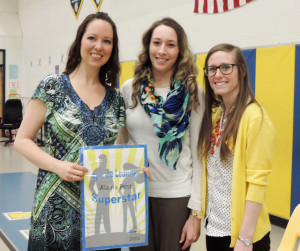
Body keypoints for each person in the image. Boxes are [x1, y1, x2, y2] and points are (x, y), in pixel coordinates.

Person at [15, 12, 125, 251]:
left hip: (101, 208)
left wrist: (134, 170)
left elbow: (120, 152)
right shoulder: (52, 86)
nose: (99, 46)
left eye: (107, 41)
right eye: (92, 38)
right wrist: (57, 166)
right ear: (80, 41)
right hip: (55, 206)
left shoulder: (116, 99)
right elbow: (22, 140)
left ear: (113, 48)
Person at [116, 17, 205, 251]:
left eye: (171, 44)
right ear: (148, 47)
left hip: (176, 195)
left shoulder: (194, 93)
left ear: (180, 51)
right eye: (156, 43)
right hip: (136, 193)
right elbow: (120, 142)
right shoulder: (130, 88)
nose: (162, 51)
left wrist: (196, 212)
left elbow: (199, 154)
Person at [198, 43, 276, 251]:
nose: (218, 74)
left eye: (226, 67)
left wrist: (245, 238)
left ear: (241, 71)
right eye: (212, 69)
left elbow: (257, 182)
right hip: (214, 229)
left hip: (241, 237)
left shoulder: (255, 117)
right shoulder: (217, 116)